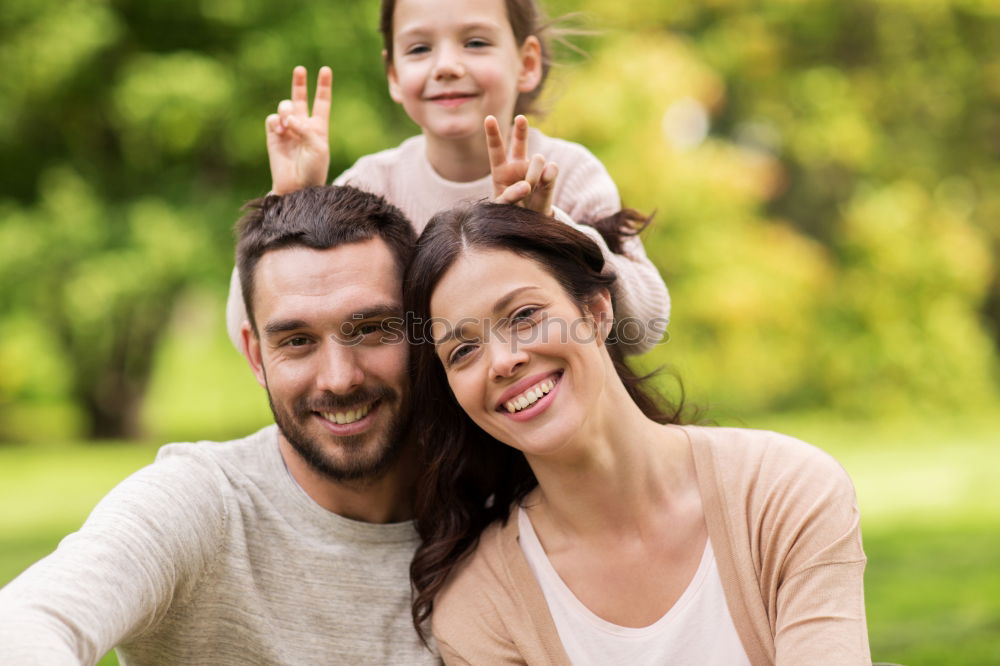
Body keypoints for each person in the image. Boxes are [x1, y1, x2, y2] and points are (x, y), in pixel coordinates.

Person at [401, 202, 872, 665]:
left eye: (524, 315)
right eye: (463, 350)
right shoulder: (481, 607)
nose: (504, 360)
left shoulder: (782, 493)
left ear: (597, 310)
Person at [0, 186, 439, 665]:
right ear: (255, 355)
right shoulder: (202, 503)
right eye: (297, 341)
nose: (339, 378)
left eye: (372, 329)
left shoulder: (488, 508)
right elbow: (25, 625)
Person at [225, 0, 670, 357]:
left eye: (475, 42)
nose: (446, 66)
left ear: (527, 62)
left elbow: (645, 326)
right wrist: (291, 195)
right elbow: (252, 328)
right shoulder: (369, 186)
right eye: (419, 49)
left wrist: (553, 228)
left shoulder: (566, 173)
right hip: (425, 451)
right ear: (395, 75)